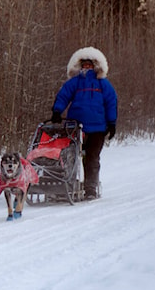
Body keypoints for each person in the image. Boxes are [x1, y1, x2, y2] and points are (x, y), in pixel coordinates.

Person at [50, 46, 118, 199]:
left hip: (98, 128)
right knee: (70, 156)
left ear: (96, 66)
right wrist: (56, 111)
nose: (87, 67)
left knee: (92, 158)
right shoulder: (75, 82)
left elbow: (111, 102)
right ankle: (68, 184)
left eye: (90, 65)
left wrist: (112, 123)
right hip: (75, 127)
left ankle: (90, 188)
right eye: (84, 65)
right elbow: (63, 96)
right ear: (79, 66)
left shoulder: (103, 84)